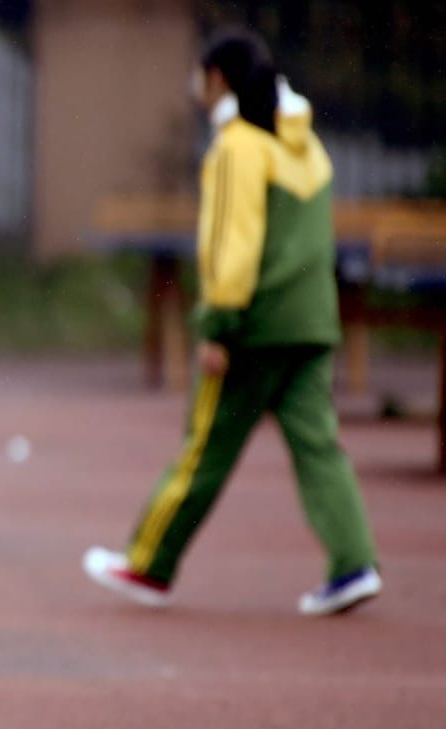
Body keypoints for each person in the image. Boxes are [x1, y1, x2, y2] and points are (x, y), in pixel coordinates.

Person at [83, 28, 380, 616]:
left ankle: (148, 564)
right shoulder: (307, 149)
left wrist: (217, 324)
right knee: (320, 449)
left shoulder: (237, 147)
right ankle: (353, 563)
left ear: (218, 78)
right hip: (312, 324)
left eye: (200, 75)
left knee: (203, 451)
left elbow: (233, 245)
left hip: (254, 329)